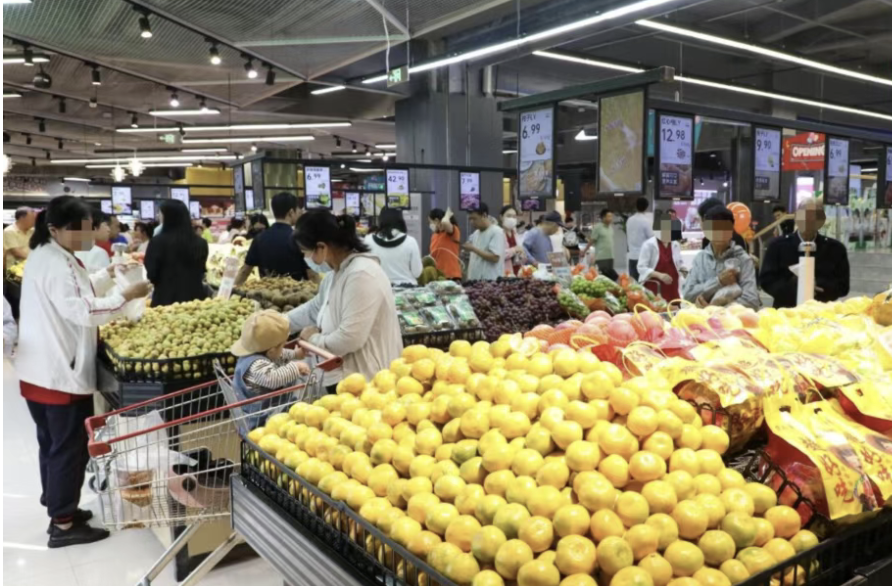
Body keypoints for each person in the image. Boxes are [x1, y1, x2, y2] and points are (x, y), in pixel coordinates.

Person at [15, 196, 151, 548]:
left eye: (90, 227)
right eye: (81, 229)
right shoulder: (55, 262)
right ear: (55, 229)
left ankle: (59, 505)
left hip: (41, 371)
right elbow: (81, 311)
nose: (88, 235)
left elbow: (75, 291)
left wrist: (106, 276)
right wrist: (125, 296)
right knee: (69, 447)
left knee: (53, 443)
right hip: (59, 372)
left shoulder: (49, 255)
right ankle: (62, 526)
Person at [287, 210, 402, 390]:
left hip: (368, 383)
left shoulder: (361, 275)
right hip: (347, 380)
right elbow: (314, 309)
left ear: (322, 247)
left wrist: (313, 339)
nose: (306, 258)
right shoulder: (336, 274)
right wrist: (279, 323)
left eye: (306, 252)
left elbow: (349, 338)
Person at [761, 197, 849, 309]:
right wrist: (794, 286)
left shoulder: (836, 249)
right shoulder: (777, 246)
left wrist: (818, 286)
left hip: (822, 311)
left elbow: (843, 286)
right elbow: (766, 281)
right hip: (785, 312)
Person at [231, 310, 311, 426]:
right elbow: (272, 379)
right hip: (260, 417)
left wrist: (295, 354)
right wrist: (296, 367)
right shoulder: (256, 365)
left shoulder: (255, 354)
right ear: (271, 351)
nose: (283, 349)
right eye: (282, 346)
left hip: (263, 410)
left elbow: (277, 355)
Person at [682, 207, 760, 309]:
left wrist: (714, 309)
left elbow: (751, 301)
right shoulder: (700, 258)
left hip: (733, 319)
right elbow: (688, 294)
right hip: (701, 318)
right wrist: (718, 282)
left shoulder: (743, 259)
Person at [236, 193, 310, 286]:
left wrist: (229, 290)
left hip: (267, 292)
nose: (300, 212)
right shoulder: (299, 239)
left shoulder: (259, 239)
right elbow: (312, 274)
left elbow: (244, 271)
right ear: (291, 212)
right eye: (298, 209)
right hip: (297, 292)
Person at [145, 199, 209, 306]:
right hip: (195, 301)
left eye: (160, 214)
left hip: (165, 301)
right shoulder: (201, 243)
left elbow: (151, 273)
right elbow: (201, 270)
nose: (159, 217)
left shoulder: (157, 242)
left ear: (167, 217)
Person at [364, 208, 422, 286]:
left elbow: (366, 269)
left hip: (379, 288)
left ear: (380, 220)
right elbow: (417, 273)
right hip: (408, 288)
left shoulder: (368, 240)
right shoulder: (410, 241)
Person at [638, 216, 684, 302]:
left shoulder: (675, 244)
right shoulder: (649, 245)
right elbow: (641, 267)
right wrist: (659, 275)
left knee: (674, 307)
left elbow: (679, 263)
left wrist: (685, 271)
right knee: (657, 308)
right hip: (655, 287)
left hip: (672, 287)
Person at [464, 203, 506, 281]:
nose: (472, 222)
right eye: (470, 219)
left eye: (474, 218)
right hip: (474, 281)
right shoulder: (476, 233)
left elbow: (495, 258)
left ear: (484, 215)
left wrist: (473, 249)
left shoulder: (496, 232)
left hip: (490, 282)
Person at [429, 208, 462, 279]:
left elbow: (445, 222)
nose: (430, 225)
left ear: (436, 220)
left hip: (451, 275)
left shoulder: (452, 231)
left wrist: (447, 215)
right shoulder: (434, 236)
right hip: (438, 276)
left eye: (430, 222)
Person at [626, 197, 654, 281]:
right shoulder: (646, 221)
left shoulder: (629, 220)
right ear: (646, 207)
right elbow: (651, 238)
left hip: (632, 256)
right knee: (644, 282)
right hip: (643, 258)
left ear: (636, 206)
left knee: (634, 283)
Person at [589, 209, 618, 280]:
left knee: (611, 278)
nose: (611, 218)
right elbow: (592, 240)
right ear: (603, 217)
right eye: (609, 216)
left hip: (610, 256)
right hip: (601, 257)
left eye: (611, 216)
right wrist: (584, 251)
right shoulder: (598, 227)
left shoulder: (610, 228)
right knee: (603, 277)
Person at [500, 205, 523, 276]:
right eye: (508, 216)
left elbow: (520, 250)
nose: (511, 219)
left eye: (514, 217)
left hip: (517, 269)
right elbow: (498, 255)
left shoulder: (515, 233)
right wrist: (514, 250)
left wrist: (521, 253)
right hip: (504, 272)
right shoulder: (498, 233)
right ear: (501, 217)